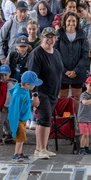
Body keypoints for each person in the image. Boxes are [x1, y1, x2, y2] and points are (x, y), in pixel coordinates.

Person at [26, 27, 65, 159]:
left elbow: (58, 72)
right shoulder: (36, 54)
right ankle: (38, 148)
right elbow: (32, 76)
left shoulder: (57, 53)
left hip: (53, 92)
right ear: (42, 38)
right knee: (43, 119)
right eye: (47, 37)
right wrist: (35, 95)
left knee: (47, 121)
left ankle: (44, 147)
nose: (50, 40)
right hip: (42, 92)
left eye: (52, 37)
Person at [8, 71, 40, 161]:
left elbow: (25, 102)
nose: (34, 86)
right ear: (27, 84)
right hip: (19, 119)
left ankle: (20, 153)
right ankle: (16, 154)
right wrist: (15, 123)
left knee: (22, 137)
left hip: (23, 118)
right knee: (20, 138)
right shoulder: (18, 94)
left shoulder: (25, 90)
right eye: (33, 84)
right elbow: (14, 110)